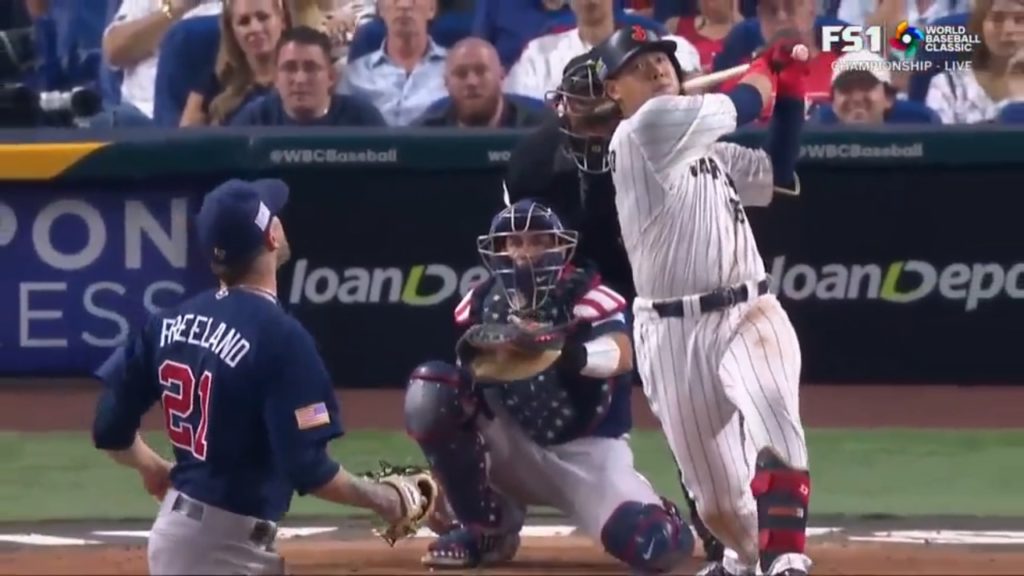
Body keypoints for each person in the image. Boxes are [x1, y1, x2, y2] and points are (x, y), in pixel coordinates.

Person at [90, 178, 433, 575]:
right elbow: (307, 468)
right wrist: (389, 499)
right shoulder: (281, 338)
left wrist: (152, 467)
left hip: (178, 536)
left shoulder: (167, 323)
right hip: (223, 552)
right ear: (271, 235)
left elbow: (109, 428)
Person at [587, 26, 812, 576]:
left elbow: (777, 173)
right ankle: (746, 557)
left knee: (772, 408)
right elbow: (743, 102)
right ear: (614, 90)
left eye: (661, 60)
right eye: (638, 66)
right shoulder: (641, 131)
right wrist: (767, 70)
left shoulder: (702, 145)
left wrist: (792, 93)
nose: (656, 69)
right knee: (717, 504)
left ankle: (786, 556)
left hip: (749, 310)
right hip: (671, 335)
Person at [505, 54, 726, 563]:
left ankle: (713, 511)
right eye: (580, 110)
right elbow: (527, 245)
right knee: (528, 378)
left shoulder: (662, 143)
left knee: (687, 399)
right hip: (575, 282)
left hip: (658, 276)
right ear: (562, 108)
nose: (593, 124)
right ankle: (491, 514)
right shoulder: (534, 161)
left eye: (602, 112)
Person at [403, 199, 695, 572]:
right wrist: (447, 481)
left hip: (587, 456)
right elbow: (459, 395)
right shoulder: (481, 302)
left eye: (539, 240)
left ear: (560, 247)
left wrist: (562, 353)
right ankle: (485, 529)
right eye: (515, 242)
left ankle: (663, 513)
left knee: (654, 544)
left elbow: (621, 354)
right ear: (500, 249)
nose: (526, 253)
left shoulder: (589, 295)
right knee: (431, 389)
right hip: (510, 444)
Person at [231, 26, 386, 126]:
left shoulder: (363, 119)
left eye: (311, 68)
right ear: (276, 77)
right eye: (289, 68)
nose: (300, 79)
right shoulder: (254, 120)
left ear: (331, 77)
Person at [180, 0, 289, 126]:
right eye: (244, 22)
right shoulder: (215, 79)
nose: (255, 28)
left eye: (263, 17)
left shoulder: (302, 75)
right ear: (232, 30)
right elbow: (187, 134)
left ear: (282, 21)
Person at [414, 38, 552, 128]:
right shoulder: (426, 128)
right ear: (446, 83)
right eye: (461, 74)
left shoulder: (542, 126)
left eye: (481, 71)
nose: (472, 82)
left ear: (502, 76)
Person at [925, 0, 1024, 124]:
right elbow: (938, 136)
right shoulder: (946, 86)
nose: (1008, 29)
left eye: (1020, 20)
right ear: (979, 25)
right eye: (997, 19)